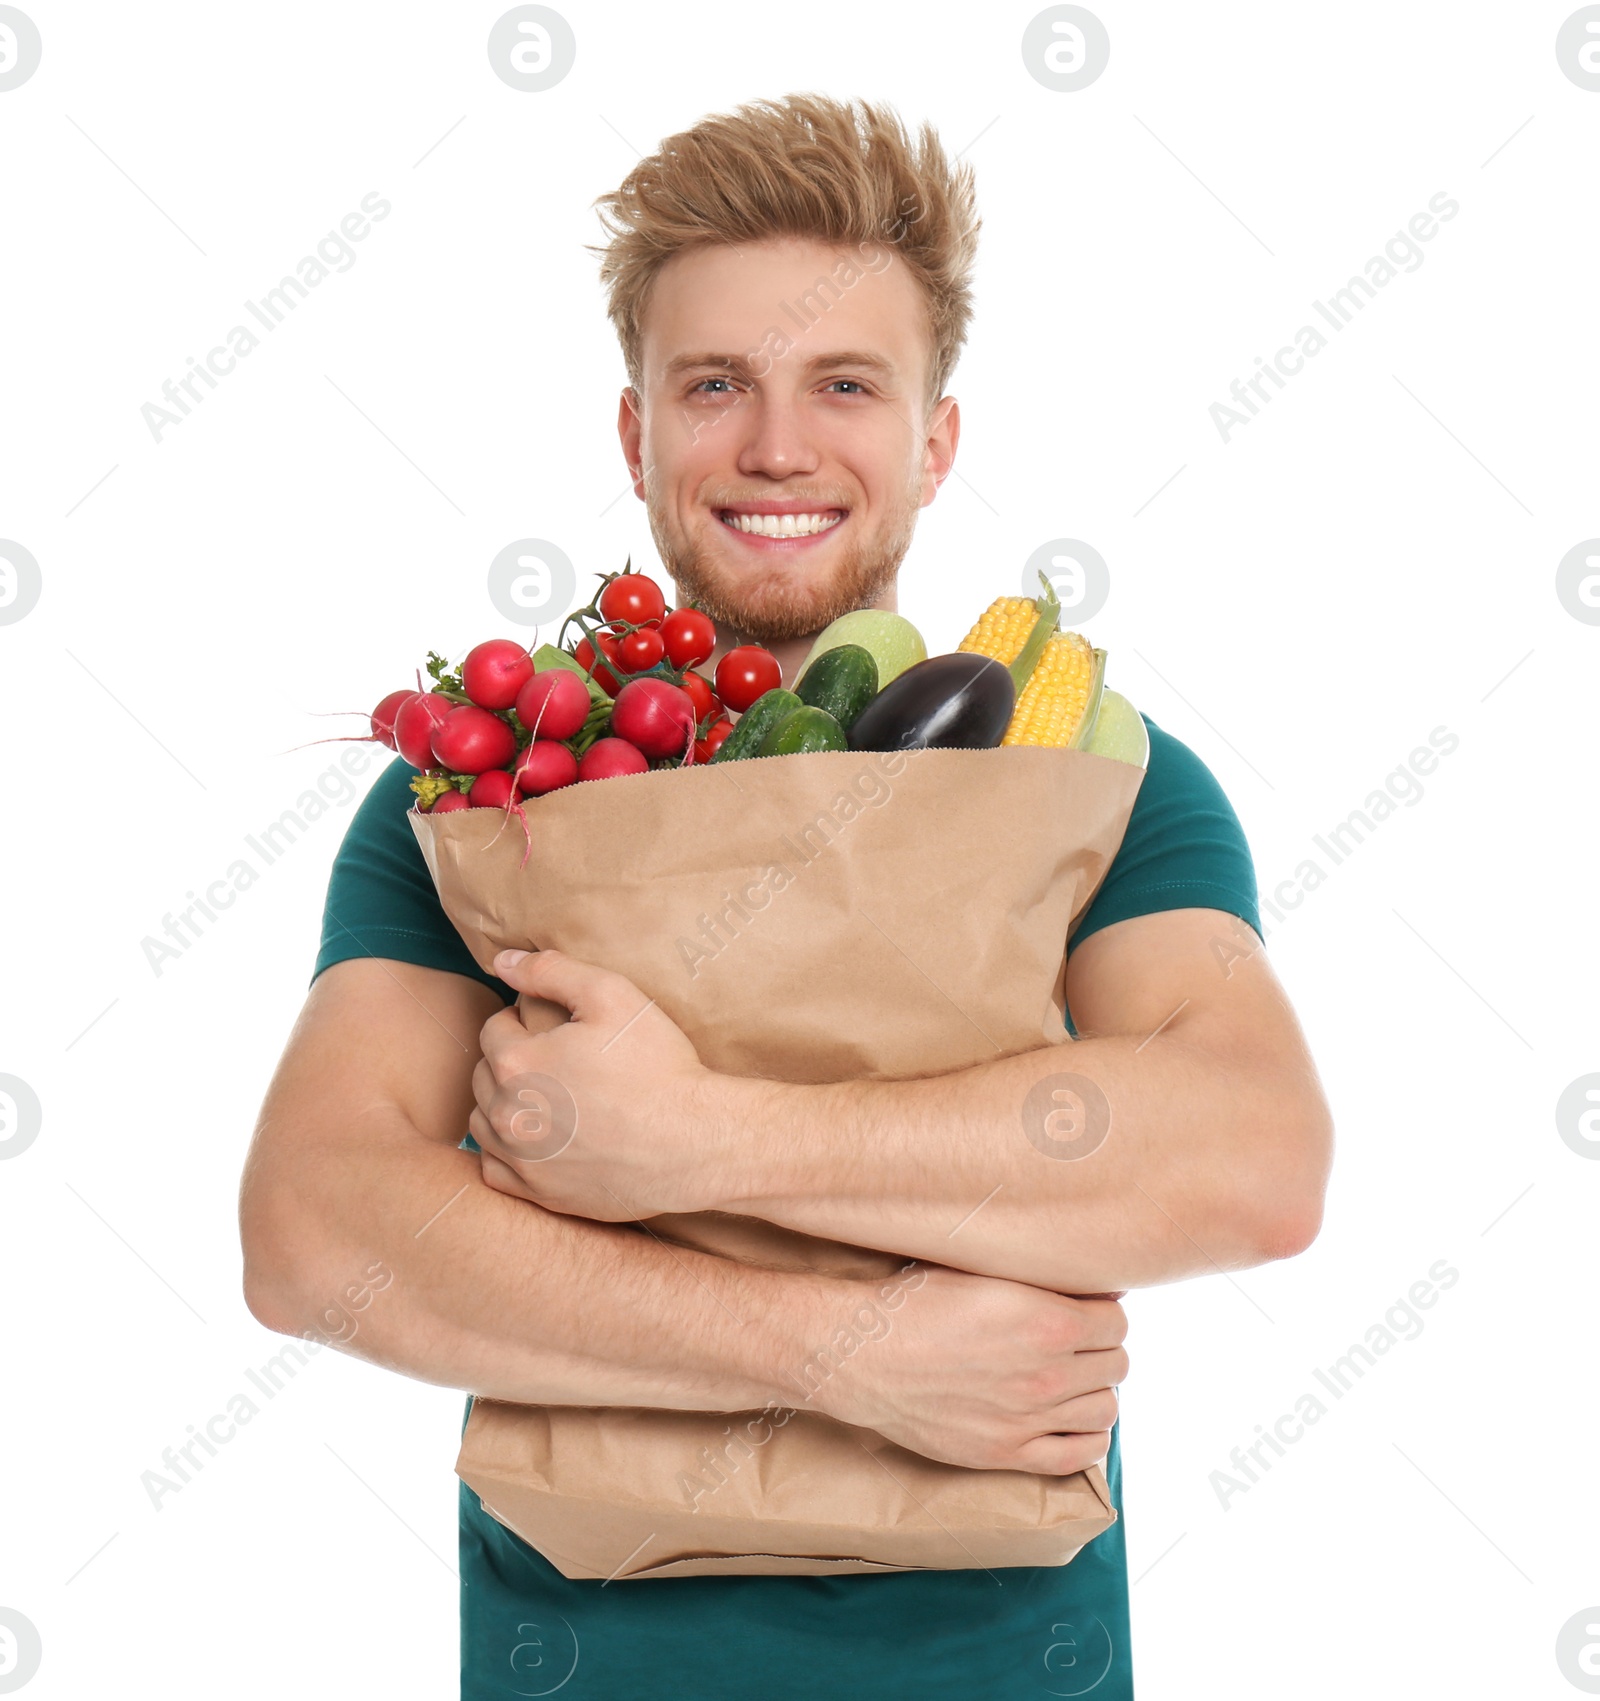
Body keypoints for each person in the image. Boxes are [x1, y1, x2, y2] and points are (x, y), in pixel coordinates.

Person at [239, 92, 1333, 1700]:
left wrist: (700, 1145)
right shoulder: (509, 784)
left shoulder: (1097, 781)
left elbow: (1254, 1156)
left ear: (935, 439)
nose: (775, 447)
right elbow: (313, 1227)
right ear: (633, 433)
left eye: (844, 385)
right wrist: (849, 1356)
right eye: (713, 386)